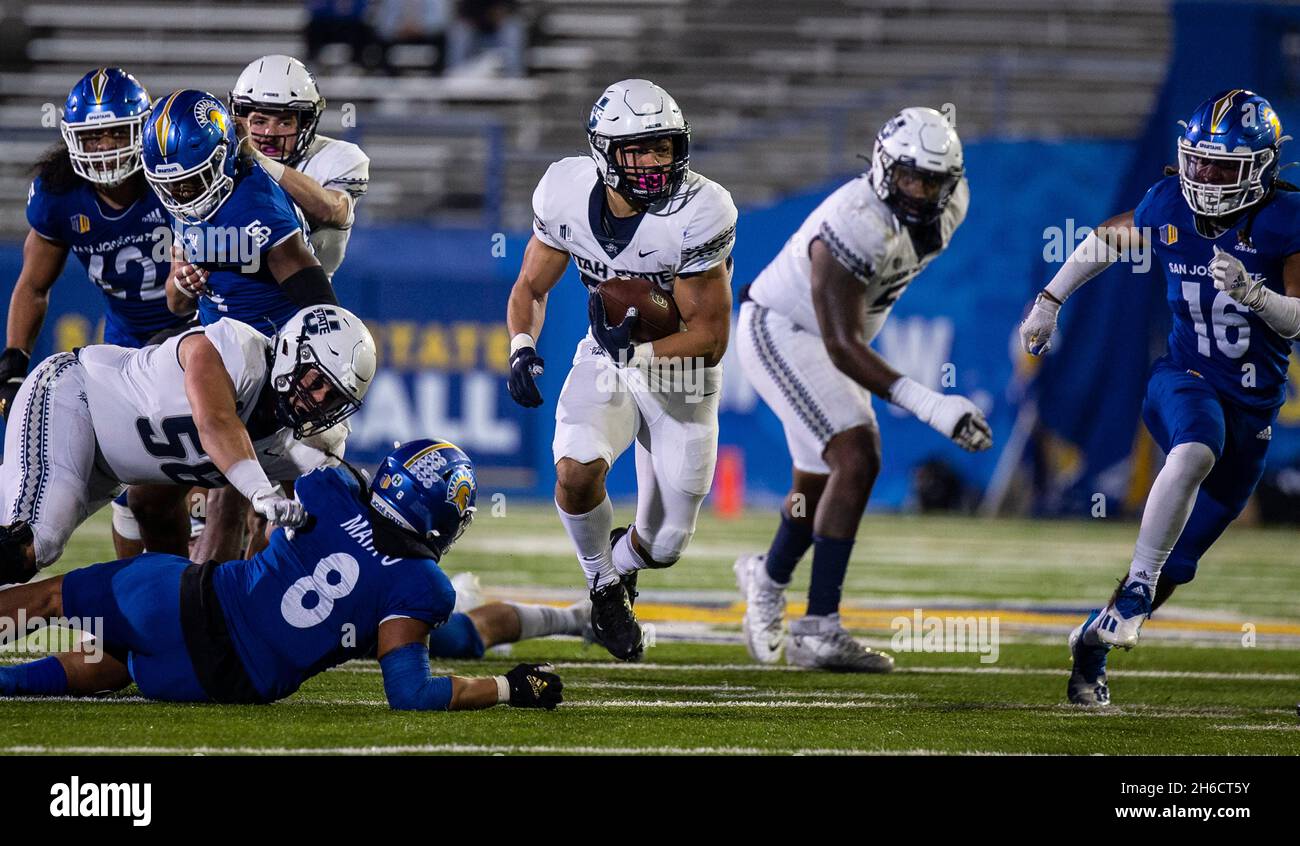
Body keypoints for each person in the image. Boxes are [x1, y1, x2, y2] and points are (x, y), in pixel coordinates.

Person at [1017, 89, 1300, 706]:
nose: (1205, 178)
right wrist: (1050, 300)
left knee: (1182, 561)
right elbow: (1105, 239)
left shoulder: (1283, 222)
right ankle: (1138, 586)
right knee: (1197, 445)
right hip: (1181, 380)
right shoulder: (1169, 202)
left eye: (1223, 166)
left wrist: (1257, 296)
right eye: (1198, 162)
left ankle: (1094, 641)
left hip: (1253, 412)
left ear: (1260, 168)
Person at [0, 439, 564, 711]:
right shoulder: (422, 585)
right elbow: (411, 694)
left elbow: (294, 471)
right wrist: (510, 687)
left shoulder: (332, 493)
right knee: (119, 662)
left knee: (50, 598)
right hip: (215, 687)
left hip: (186, 603)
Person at [732, 107, 989, 671]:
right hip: (783, 329)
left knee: (818, 485)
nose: (921, 193)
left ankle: (767, 577)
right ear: (882, 167)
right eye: (910, 178)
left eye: (933, 182)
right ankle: (817, 628)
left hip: (818, 336)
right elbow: (842, 345)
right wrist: (931, 405)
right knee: (857, 456)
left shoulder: (953, 205)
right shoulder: (854, 220)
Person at [505, 79, 737, 661]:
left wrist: (635, 354)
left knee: (666, 544)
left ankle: (627, 558)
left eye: (664, 148)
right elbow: (531, 284)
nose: (656, 164)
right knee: (576, 470)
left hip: (682, 375)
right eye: (640, 151)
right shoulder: (563, 192)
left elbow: (709, 339)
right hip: (610, 356)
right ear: (603, 152)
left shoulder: (700, 210)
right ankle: (604, 585)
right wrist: (520, 345)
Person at [0, 304, 375, 584]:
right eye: (315, 381)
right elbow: (215, 423)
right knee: (33, 544)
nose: (317, 399)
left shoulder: (310, 444)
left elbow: (321, 519)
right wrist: (262, 493)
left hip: (110, 468)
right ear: (294, 351)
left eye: (332, 398)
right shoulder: (236, 350)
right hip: (73, 398)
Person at [0, 68, 191, 559]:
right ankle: (136, 614)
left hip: (199, 331)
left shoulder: (173, 172)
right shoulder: (59, 194)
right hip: (128, 344)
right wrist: (14, 362)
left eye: (116, 132)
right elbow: (33, 286)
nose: (105, 147)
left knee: (205, 485)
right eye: (93, 135)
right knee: (132, 492)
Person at [229, 55, 370, 278]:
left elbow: (331, 210)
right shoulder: (222, 160)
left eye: (284, 122)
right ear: (241, 121)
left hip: (304, 302)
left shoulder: (339, 156)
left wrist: (259, 160)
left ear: (306, 124)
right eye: (260, 121)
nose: (269, 134)